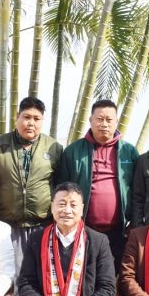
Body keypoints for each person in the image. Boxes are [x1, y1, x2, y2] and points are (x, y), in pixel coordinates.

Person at [58, 99, 138, 268]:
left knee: (115, 275)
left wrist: (134, 223)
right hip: (84, 228)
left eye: (109, 120)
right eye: (99, 119)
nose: (104, 124)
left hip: (119, 230)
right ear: (91, 120)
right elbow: (61, 190)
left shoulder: (129, 151)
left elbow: (137, 190)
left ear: (116, 122)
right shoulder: (73, 151)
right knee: (85, 274)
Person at [0, 96, 63, 275]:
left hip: (42, 224)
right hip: (7, 224)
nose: (31, 123)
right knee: (9, 275)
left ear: (42, 121)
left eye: (36, 119)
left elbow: (61, 185)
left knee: (41, 274)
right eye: (26, 117)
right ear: (17, 117)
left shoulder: (54, 148)